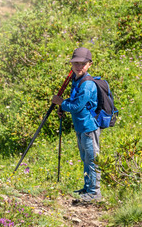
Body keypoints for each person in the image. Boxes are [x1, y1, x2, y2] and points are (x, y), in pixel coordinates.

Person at [51, 47, 102, 201]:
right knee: (85, 158)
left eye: (83, 64)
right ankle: (88, 188)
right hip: (80, 126)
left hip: (89, 127)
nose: (79, 67)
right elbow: (73, 103)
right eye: (76, 64)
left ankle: (94, 193)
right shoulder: (76, 80)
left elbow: (76, 106)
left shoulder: (87, 84)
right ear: (71, 65)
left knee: (92, 159)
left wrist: (61, 102)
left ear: (89, 64)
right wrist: (63, 107)